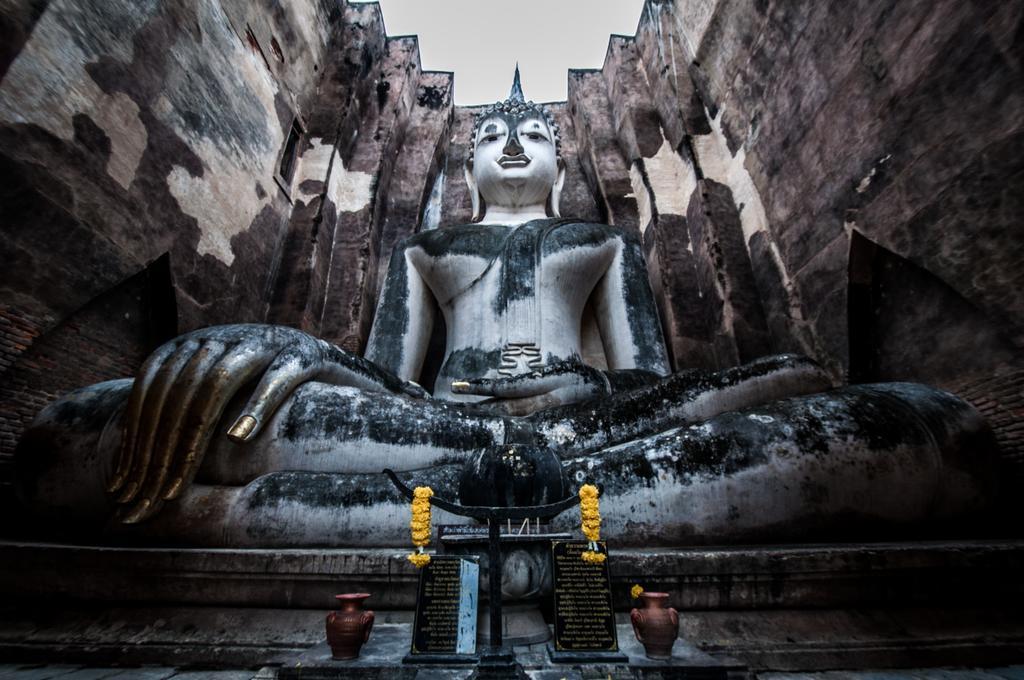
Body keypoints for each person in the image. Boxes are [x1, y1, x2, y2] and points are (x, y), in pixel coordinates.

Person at [15, 73, 996, 546]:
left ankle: (382, 516)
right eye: (500, 130)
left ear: (563, 155)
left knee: (926, 425)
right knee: (85, 426)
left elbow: (648, 379)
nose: (520, 139)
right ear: (467, 157)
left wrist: (690, 400)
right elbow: (383, 376)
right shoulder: (427, 247)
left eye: (538, 130)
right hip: (423, 427)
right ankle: (544, 504)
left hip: (602, 431)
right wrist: (283, 350)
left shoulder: (599, 242)